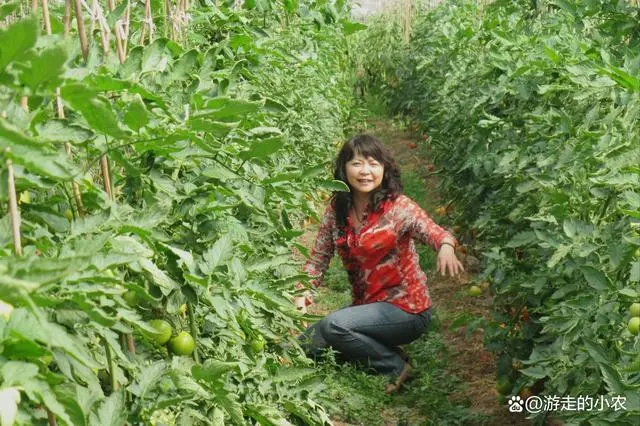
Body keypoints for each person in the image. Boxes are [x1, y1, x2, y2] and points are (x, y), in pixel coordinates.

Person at [294, 134, 464, 394]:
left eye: (373, 164)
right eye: (357, 163)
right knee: (304, 348)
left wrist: (447, 247)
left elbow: (436, 233)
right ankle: (373, 348)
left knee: (333, 326)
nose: (365, 171)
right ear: (344, 168)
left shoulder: (398, 207)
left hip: (406, 309)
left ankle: (394, 366)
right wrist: (304, 291)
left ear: (384, 170)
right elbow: (318, 259)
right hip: (367, 308)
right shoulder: (336, 210)